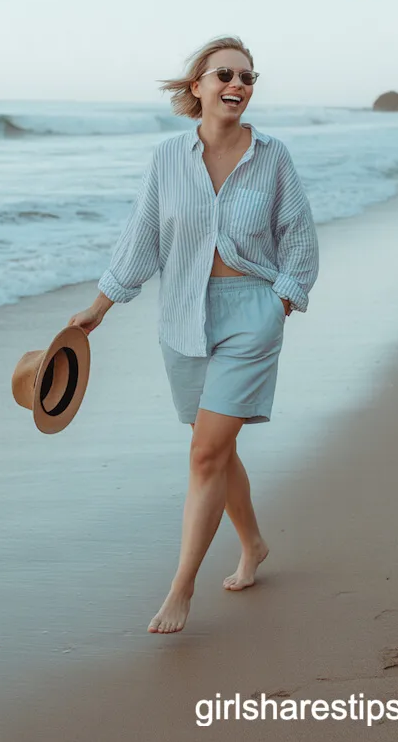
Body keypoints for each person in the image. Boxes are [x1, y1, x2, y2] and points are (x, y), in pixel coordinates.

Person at [68, 35, 319, 634]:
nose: (237, 85)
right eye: (224, 74)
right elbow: (142, 238)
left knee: (204, 453)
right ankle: (253, 543)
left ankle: (181, 589)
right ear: (197, 86)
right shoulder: (167, 159)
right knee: (215, 448)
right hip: (182, 315)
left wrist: (282, 299)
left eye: (247, 77)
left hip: (252, 313)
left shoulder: (273, 156)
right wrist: (100, 306)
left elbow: (299, 236)